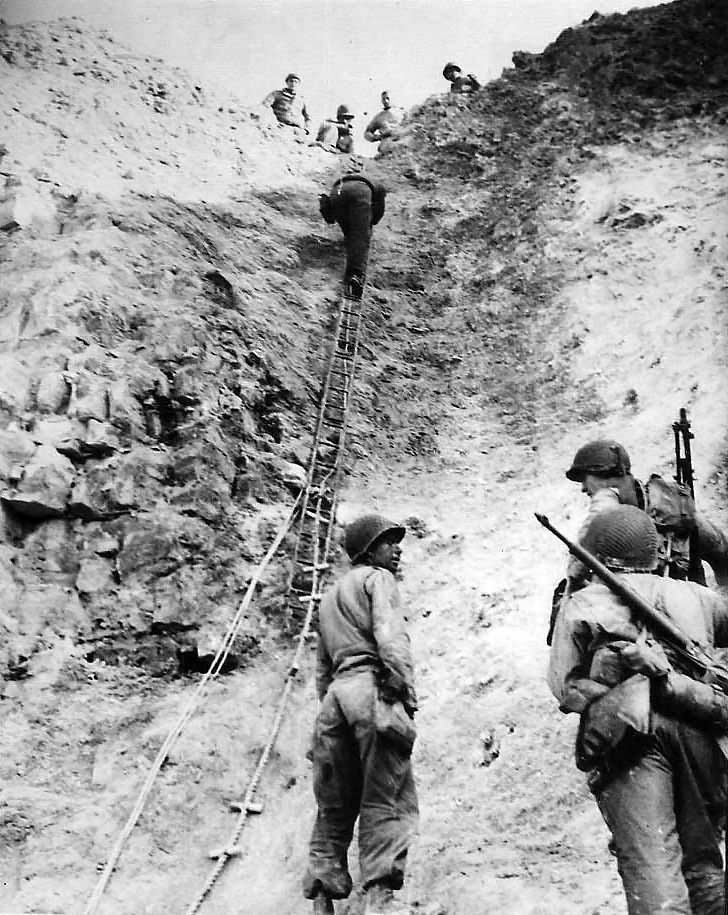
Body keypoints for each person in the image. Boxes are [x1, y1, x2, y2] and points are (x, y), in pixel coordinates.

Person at [548, 505, 728, 915]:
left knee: (653, 873)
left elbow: (562, 686)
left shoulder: (582, 603)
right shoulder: (697, 598)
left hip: (632, 737)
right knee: (701, 867)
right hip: (700, 734)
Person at [303, 513, 419, 915]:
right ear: (370, 551)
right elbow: (390, 637)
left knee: (334, 801)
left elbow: (321, 669)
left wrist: (326, 716)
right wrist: (403, 691)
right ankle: (378, 897)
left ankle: (322, 893)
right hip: (371, 689)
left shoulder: (329, 596)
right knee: (386, 791)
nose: (398, 550)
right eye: (389, 543)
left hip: (335, 699)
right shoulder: (378, 580)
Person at [563, 439, 728, 593]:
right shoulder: (601, 520)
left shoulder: (673, 513)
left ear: (608, 477)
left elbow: (722, 555)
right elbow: (575, 572)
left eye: (584, 479)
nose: (583, 488)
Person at [318, 160, 386, 300]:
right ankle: (355, 275)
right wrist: (370, 223)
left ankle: (327, 209)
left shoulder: (344, 179)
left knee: (350, 232)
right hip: (360, 192)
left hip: (337, 192)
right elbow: (378, 212)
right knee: (360, 236)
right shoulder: (376, 184)